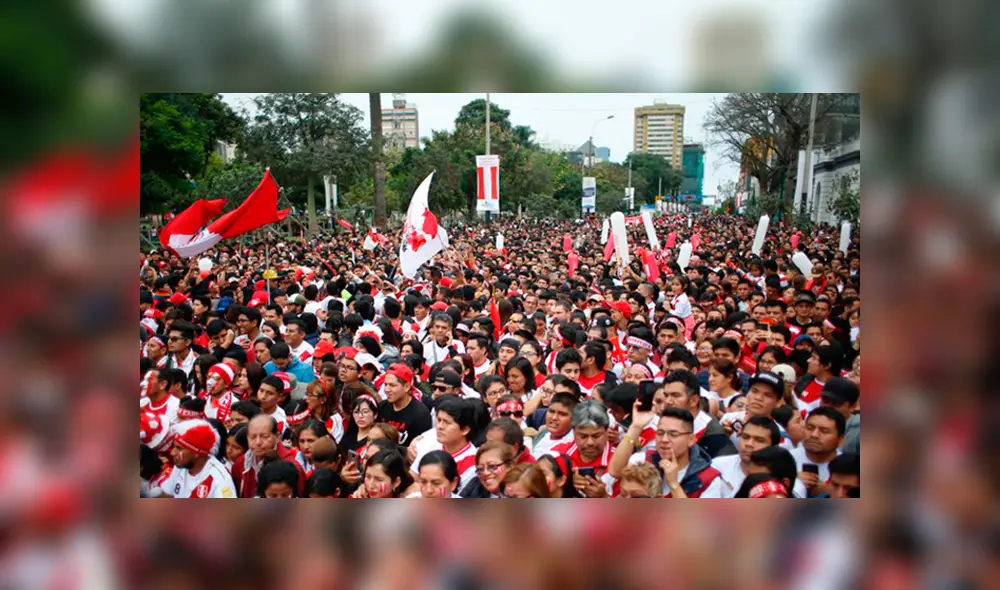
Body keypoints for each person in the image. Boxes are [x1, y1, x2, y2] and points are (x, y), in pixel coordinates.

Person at [624, 407, 725, 498]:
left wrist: (674, 485)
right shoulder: (644, 459)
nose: (664, 439)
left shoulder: (708, 478)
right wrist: (635, 427)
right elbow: (614, 472)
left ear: (691, 440)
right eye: (660, 433)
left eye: (673, 434)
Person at [548, 399, 614, 498]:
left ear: (606, 431)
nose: (590, 442)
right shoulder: (557, 455)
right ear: (573, 431)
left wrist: (604, 497)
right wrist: (567, 483)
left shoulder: (621, 461)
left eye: (596, 436)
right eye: (583, 436)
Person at [409, 396, 478, 489]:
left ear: (465, 429)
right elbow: (411, 479)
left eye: (447, 422)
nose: (439, 426)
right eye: (438, 420)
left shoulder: (472, 464)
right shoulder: (430, 441)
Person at [231, 414, 306, 498]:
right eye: (253, 437)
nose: (258, 442)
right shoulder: (240, 464)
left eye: (264, 436)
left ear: (277, 437)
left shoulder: (292, 466)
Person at [157, 419, 237, 498]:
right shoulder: (181, 464)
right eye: (174, 447)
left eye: (179, 448)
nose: (172, 453)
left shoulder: (219, 479)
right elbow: (168, 494)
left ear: (197, 453)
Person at [793, 407, 846, 497]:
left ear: (840, 440)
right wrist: (793, 482)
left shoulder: (849, 468)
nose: (814, 435)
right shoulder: (784, 459)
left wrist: (831, 490)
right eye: (810, 428)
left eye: (824, 431)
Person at [378, 363, 432, 447]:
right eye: (385, 384)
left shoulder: (420, 414)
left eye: (392, 385)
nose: (386, 389)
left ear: (406, 387)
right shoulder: (382, 406)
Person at [531, 392, 579, 457]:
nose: (554, 418)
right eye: (551, 411)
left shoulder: (575, 445)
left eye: (562, 414)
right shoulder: (542, 434)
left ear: (574, 418)